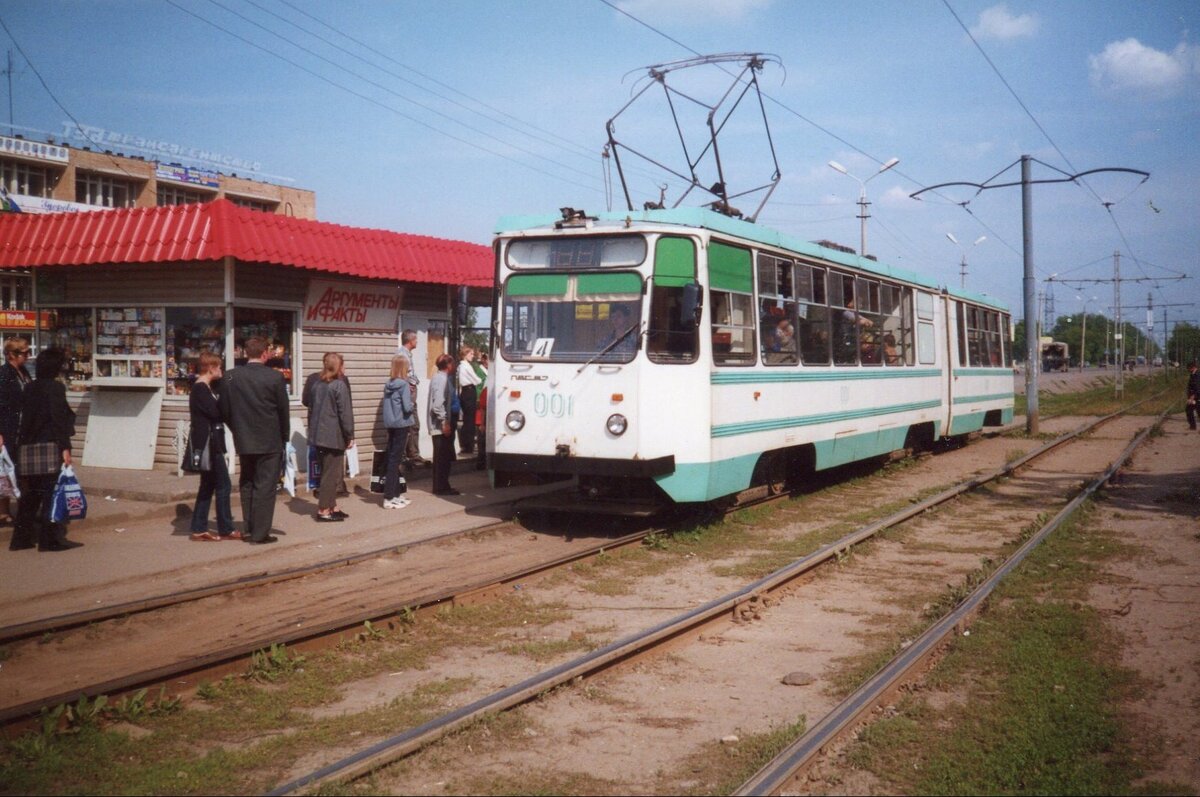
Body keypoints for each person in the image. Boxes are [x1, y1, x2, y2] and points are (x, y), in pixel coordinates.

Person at [219, 336, 290, 544]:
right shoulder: (274, 378)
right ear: (265, 353)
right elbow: (282, 411)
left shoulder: (231, 377)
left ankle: (249, 528)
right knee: (265, 486)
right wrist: (284, 437)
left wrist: (236, 429)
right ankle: (260, 533)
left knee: (247, 483)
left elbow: (224, 409)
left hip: (244, 438)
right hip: (269, 440)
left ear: (246, 353)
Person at [11, 348, 79, 552]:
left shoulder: (29, 388)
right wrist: (65, 448)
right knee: (51, 494)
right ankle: (49, 540)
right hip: (50, 446)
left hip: (27, 446)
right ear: (56, 367)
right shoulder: (55, 388)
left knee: (30, 496)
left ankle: (20, 540)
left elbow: (24, 419)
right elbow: (58, 419)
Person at [188, 351, 238, 541]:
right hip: (209, 443)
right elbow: (215, 412)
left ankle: (199, 527)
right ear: (210, 368)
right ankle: (225, 528)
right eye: (218, 367)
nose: (221, 370)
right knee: (223, 485)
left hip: (210, 441)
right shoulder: (201, 389)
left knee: (207, 486)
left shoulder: (207, 387)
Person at [306, 352, 354, 522]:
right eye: (343, 364)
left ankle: (332, 505)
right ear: (338, 366)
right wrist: (350, 435)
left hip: (318, 434)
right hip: (333, 436)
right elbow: (345, 413)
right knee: (330, 475)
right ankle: (324, 509)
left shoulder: (317, 385)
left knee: (328, 471)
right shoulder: (339, 386)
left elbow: (310, 407)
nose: (344, 368)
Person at [0, 337, 32, 529]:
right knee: (4, 470)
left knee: (20, 470)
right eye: (24, 353)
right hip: (8, 428)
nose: (27, 356)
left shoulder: (23, 372)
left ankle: (23, 509)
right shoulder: (4, 374)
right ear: (12, 355)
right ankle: (3, 512)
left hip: (22, 429)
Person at [381, 354, 416, 509]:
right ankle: (389, 497)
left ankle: (395, 494)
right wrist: (412, 401)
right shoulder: (403, 384)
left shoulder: (388, 383)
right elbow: (407, 407)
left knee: (392, 458)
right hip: (402, 423)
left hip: (391, 424)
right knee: (395, 460)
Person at [428, 353, 459, 496]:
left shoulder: (440, 378)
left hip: (440, 423)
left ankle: (441, 485)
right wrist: (444, 422)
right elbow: (438, 404)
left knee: (442, 457)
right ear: (448, 366)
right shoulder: (441, 380)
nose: (454, 366)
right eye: (452, 364)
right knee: (442, 457)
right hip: (440, 425)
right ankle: (441, 487)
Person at [397, 329, 427, 467]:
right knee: (408, 425)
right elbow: (400, 374)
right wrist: (409, 383)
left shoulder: (407, 354)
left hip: (410, 396)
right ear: (410, 341)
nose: (417, 342)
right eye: (415, 339)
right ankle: (406, 455)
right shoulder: (401, 355)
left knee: (414, 425)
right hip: (406, 397)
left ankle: (413, 453)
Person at [457, 346, 482, 455]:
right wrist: (480, 379)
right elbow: (476, 380)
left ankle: (465, 445)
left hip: (465, 391)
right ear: (465, 354)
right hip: (469, 390)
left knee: (467, 419)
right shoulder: (466, 366)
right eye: (471, 354)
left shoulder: (461, 366)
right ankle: (468, 446)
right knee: (469, 420)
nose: (473, 356)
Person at [1187, 361, 1199, 431]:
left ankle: (1193, 426)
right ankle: (1192, 426)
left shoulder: (1197, 375)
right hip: (1194, 396)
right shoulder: (1193, 374)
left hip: (1197, 397)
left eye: (1189, 368)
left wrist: (1192, 397)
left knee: (1189, 410)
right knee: (1189, 410)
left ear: (1193, 367)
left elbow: (1197, 387)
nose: (1188, 370)